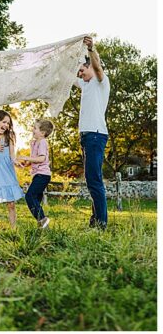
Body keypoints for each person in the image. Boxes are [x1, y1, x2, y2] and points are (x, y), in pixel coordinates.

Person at [74, 36, 110, 229]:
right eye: (79, 71)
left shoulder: (100, 82)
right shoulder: (85, 85)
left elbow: (97, 67)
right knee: (92, 180)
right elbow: (67, 77)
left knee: (94, 180)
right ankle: (95, 221)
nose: (80, 74)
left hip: (96, 135)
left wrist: (91, 49)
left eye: (82, 69)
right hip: (87, 137)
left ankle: (101, 224)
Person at [18, 119, 54, 229]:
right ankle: (42, 226)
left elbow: (42, 158)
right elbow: (35, 159)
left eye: (35, 128)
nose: (32, 130)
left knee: (30, 196)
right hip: (37, 175)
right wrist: (26, 164)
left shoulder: (42, 142)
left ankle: (43, 221)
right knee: (36, 202)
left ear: (42, 133)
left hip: (43, 175)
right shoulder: (34, 143)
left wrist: (26, 157)